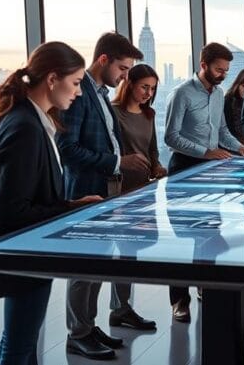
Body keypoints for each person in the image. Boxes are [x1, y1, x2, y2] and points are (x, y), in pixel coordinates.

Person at [0, 41, 103, 365]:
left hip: (24, 253)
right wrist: (71, 209)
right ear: (52, 79)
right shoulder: (25, 128)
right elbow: (12, 209)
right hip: (23, 254)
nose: (79, 92)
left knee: (19, 344)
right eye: (75, 83)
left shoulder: (28, 120)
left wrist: (71, 204)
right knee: (19, 348)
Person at [57, 33, 154, 361]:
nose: (125, 76)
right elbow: (67, 149)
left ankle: (89, 325)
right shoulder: (79, 92)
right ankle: (77, 334)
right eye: (123, 68)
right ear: (103, 61)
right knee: (83, 266)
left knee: (98, 262)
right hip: (86, 189)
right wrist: (117, 162)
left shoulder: (98, 93)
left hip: (108, 187)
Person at [165, 42, 244, 322]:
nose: (223, 76)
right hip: (183, 170)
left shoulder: (218, 95)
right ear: (203, 65)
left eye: (227, 71)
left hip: (211, 174)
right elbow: (171, 136)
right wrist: (205, 152)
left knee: (208, 234)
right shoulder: (181, 93)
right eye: (219, 70)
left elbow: (222, 131)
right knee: (182, 241)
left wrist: (240, 147)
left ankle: (205, 284)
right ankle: (179, 301)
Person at [113, 63, 169, 193]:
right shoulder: (113, 112)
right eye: (144, 87)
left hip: (145, 184)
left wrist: (157, 167)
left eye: (153, 88)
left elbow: (152, 149)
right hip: (120, 184)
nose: (149, 93)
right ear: (130, 84)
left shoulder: (149, 113)